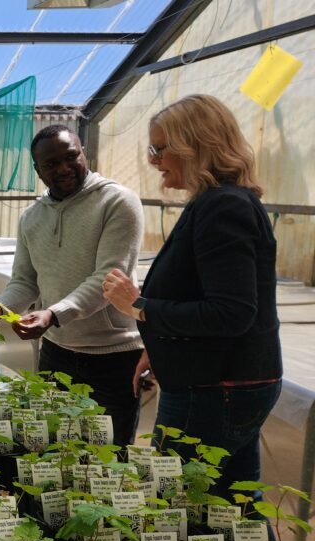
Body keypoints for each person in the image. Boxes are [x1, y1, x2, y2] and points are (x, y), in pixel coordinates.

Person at [103, 94, 281, 496]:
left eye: (160, 148)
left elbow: (231, 313)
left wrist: (140, 306)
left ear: (196, 146)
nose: (153, 160)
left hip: (215, 389)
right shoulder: (219, 202)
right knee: (233, 503)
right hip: (225, 382)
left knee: (176, 504)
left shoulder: (223, 208)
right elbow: (206, 295)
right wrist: (160, 346)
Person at [0, 125, 145, 447]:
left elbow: (109, 277)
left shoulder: (117, 202)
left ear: (84, 153)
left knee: (109, 454)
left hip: (113, 356)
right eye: (51, 164)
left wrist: (52, 314)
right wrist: (0, 306)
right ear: (38, 171)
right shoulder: (31, 217)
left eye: (71, 157)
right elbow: (25, 282)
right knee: (55, 450)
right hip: (57, 353)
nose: (64, 168)